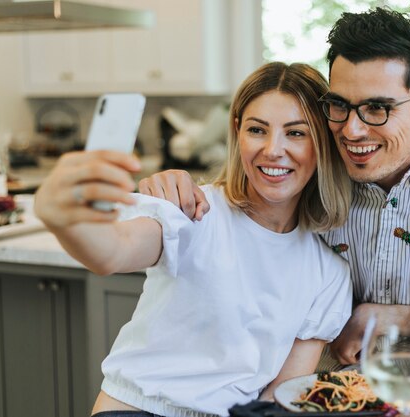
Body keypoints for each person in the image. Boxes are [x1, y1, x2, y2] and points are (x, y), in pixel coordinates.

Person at [138, 7, 410, 368]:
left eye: (378, 108)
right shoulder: (318, 158)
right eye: (340, 104)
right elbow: (246, 212)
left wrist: (383, 316)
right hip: (331, 390)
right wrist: (179, 188)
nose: (352, 130)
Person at [34, 61, 353, 417]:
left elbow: (281, 396)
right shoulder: (193, 209)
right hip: (136, 409)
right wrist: (65, 219)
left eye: (296, 132)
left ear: (322, 143)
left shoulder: (329, 274)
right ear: (237, 132)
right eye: (257, 130)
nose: (273, 149)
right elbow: (112, 252)